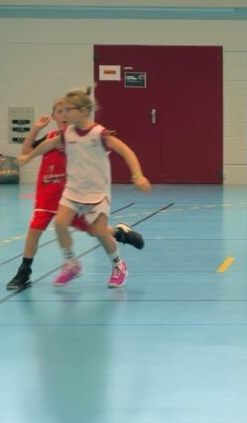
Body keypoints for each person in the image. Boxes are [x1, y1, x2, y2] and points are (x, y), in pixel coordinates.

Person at [17, 90, 151, 288]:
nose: (64, 115)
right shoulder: (67, 133)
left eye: (68, 110)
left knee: (99, 232)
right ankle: (71, 263)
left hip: (97, 192)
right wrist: (28, 157)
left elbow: (125, 150)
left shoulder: (99, 134)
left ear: (82, 111)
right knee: (60, 223)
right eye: (61, 111)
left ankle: (118, 265)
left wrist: (137, 175)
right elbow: (48, 144)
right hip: (73, 190)